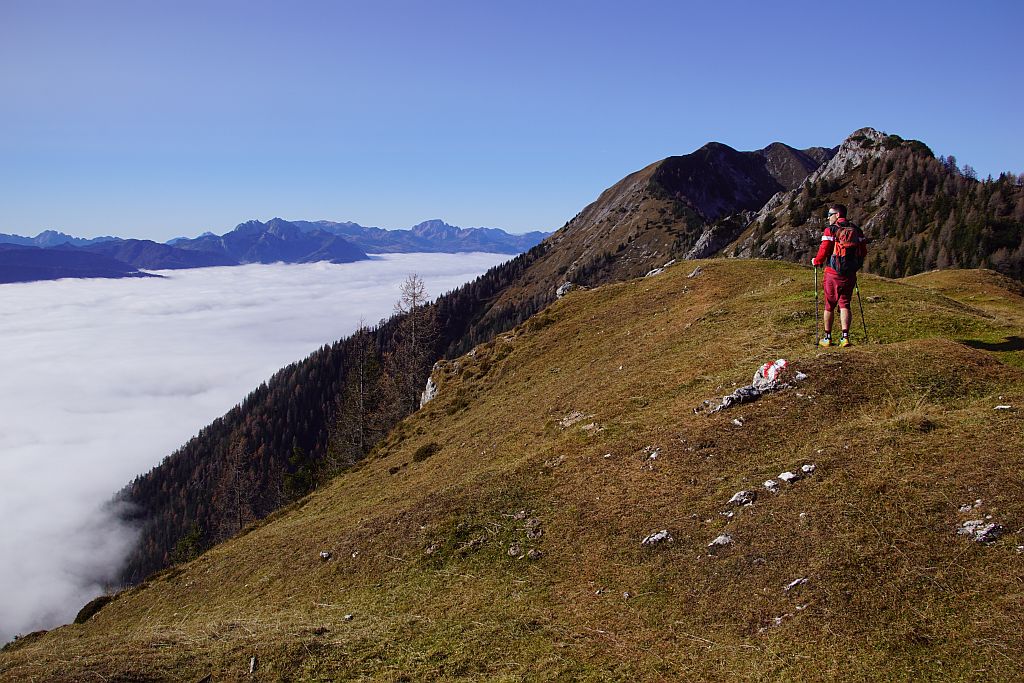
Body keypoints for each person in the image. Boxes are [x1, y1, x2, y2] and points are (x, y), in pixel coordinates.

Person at [812, 203, 867, 347]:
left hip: (833, 272)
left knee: (829, 304)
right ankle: (845, 337)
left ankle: (827, 338)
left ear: (837, 215)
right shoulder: (857, 230)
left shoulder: (830, 230)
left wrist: (816, 261)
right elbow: (863, 251)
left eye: (829, 215)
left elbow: (824, 250)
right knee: (845, 304)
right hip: (850, 273)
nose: (828, 218)